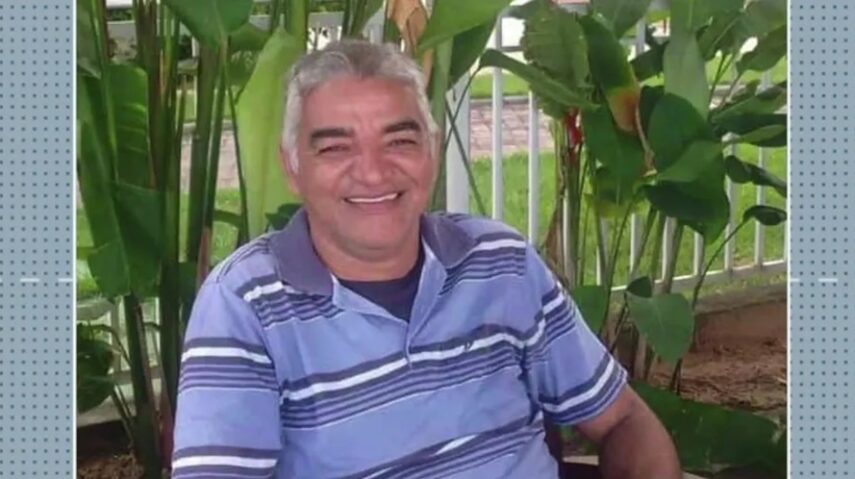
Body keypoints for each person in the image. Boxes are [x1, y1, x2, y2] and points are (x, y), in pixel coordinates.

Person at [171, 39, 682, 479]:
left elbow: (622, 418)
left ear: (432, 152)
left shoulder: (500, 263)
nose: (373, 173)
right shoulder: (246, 306)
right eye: (335, 149)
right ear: (293, 167)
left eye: (399, 141)